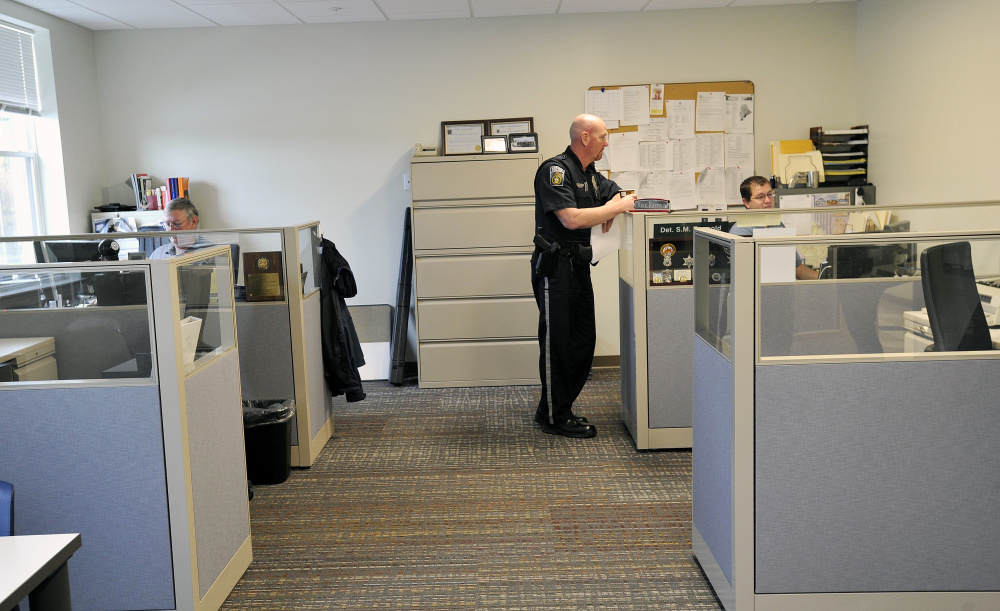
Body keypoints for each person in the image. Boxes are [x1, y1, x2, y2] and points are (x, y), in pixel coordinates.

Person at [531, 114, 637, 438]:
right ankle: (555, 416)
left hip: (578, 267)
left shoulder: (590, 174)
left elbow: (618, 193)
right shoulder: (555, 170)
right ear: (586, 137)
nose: (608, 142)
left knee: (583, 341)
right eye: (604, 136)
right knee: (558, 345)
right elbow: (572, 219)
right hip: (555, 268)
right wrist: (613, 210)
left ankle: (553, 406)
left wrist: (613, 203)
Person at [731, 176, 819, 280]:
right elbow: (748, 275)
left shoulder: (778, 225)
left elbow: (796, 268)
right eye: (760, 197)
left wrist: (823, 277)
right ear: (746, 203)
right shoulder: (741, 230)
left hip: (778, 290)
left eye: (769, 194)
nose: (768, 200)